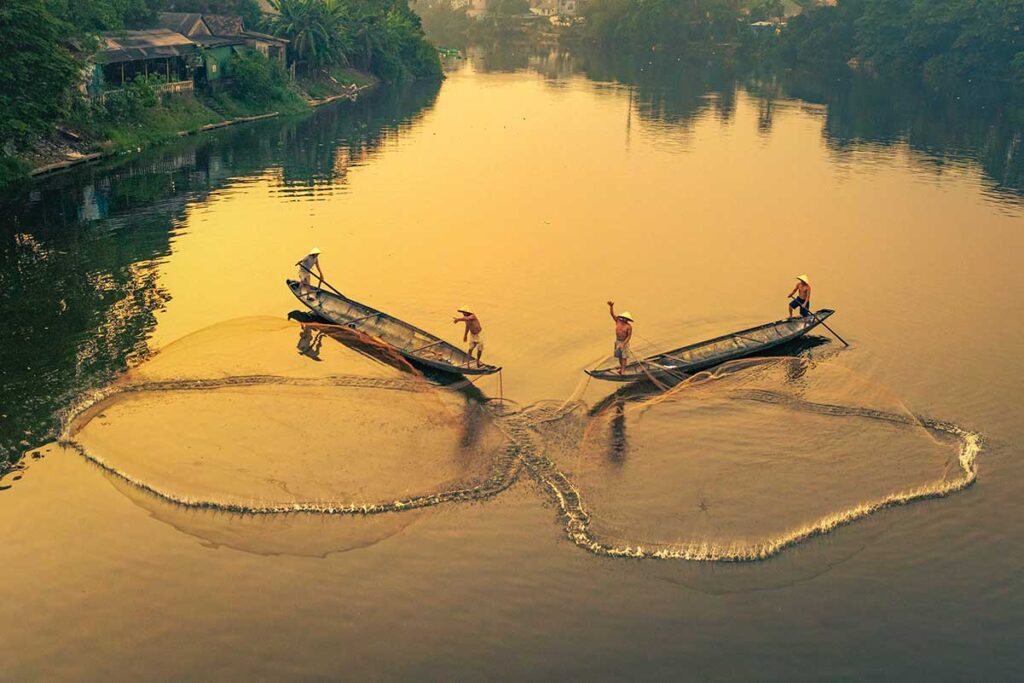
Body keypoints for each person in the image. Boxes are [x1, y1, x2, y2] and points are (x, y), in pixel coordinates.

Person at [607, 301, 634, 374]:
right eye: (624, 318)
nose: (625, 319)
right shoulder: (618, 321)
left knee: (624, 357)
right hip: (618, 341)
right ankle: (621, 368)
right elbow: (612, 314)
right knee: (619, 356)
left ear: (628, 320)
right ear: (622, 317)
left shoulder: (629, 326)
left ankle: (623, 370)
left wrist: (624, 343)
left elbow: (629, 336)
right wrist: (611, 307)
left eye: (626, 319)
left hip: (624, 342)